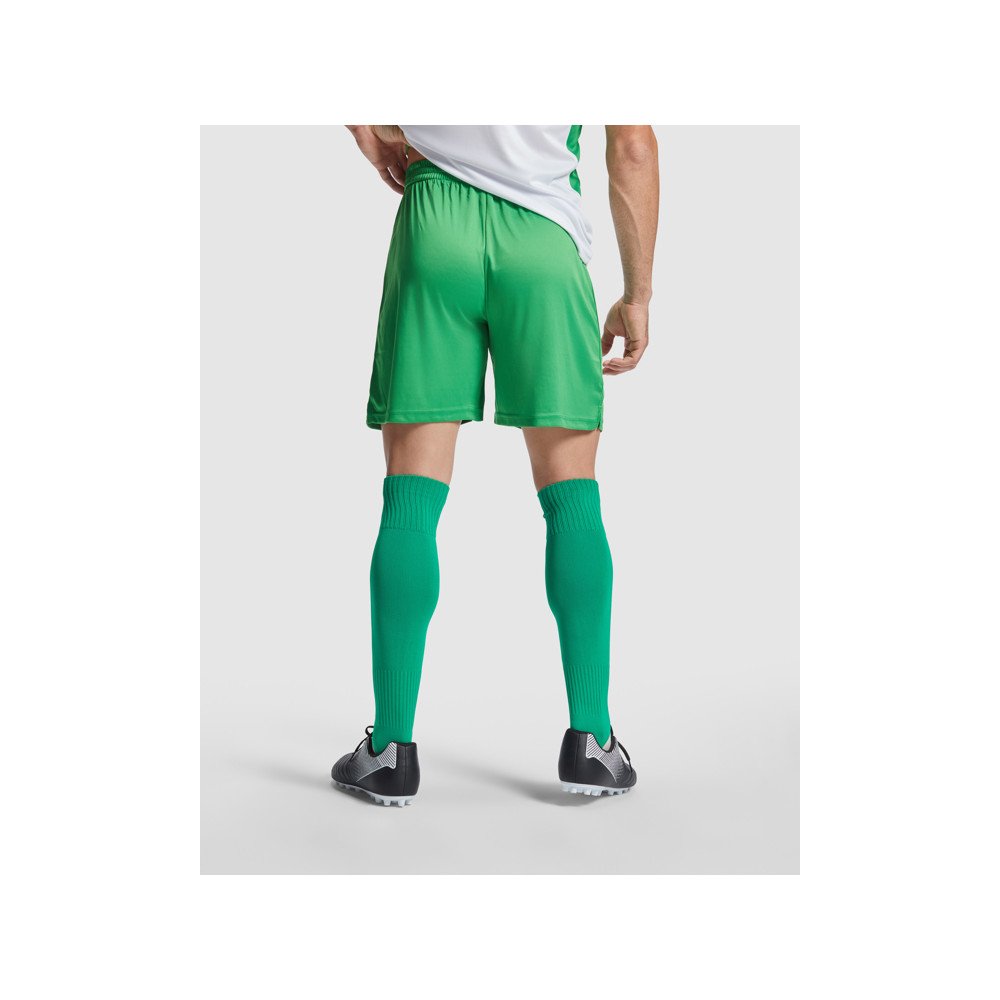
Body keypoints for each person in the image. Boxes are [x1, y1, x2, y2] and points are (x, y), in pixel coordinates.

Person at [331, 125, 658, 806]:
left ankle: (390, 750)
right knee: (572, 494)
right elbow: (631, 146)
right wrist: (637, 294)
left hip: (435, 221)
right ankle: (592, 743)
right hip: (543, 239)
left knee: (411, 497)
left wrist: (369, 130)